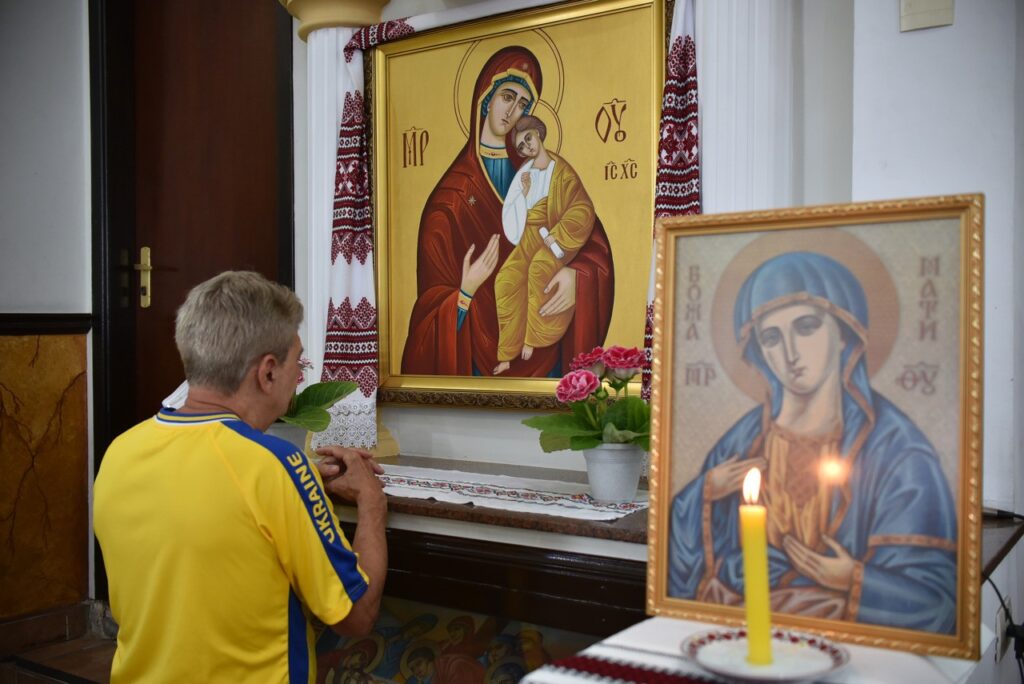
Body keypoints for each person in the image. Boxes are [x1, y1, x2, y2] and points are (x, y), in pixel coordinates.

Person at [93, 271, 388, 682]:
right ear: (267, 373)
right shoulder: (274, 466)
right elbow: (355, 615)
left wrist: (297, 487)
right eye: (297, 362)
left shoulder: (120, 452)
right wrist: (371, 503)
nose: (299, 376)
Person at [667, 252, 958, 634]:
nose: (790, 354)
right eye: (772, 337)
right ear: (759, 351)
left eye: (806, 327)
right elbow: (685, 575)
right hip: (738, 632)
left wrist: (853, 579)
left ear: (844, 332)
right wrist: (704, 493)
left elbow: (936, 599)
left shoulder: (897, 450)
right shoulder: (741, 442)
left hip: (852, 647)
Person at [401, 45, 614, 378]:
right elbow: (428, 311)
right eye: (507, 97)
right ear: (486, 99)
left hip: (546, 338)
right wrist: (465, 293)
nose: (513, 111)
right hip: (476, 357)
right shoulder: (449, 198)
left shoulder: (545, 172)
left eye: (523, 104)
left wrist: (577, 277)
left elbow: (586, 231)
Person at [493, 115, 597, 375]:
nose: (527, 147)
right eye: (521, 146)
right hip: (529, 236)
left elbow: (582, 209)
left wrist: (557, 235)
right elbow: (514, 211)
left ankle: (533, 338)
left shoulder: (562, 173)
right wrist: (524, 195)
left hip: (554, 238)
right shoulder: (524, 173)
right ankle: (507, 352)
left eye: (528, 138)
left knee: (538, 268)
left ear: (538, 134)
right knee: (505, 279)